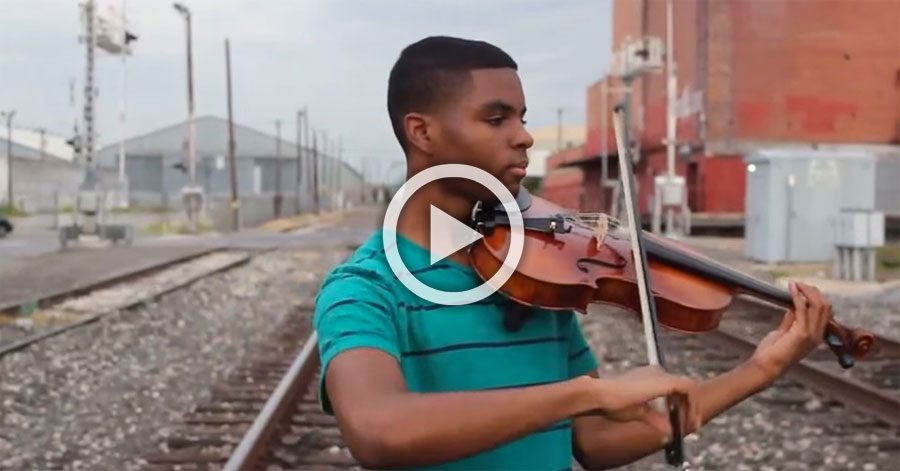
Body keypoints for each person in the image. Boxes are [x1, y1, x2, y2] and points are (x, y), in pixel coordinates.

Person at [312, 36, 833, 470]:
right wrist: (584, 394)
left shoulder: (530, 275)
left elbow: (595, 441)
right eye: (496, 119)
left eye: (522, 118)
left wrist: (759, 370)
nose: (524, 137)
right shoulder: (366, 289)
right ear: (422, 132)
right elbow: (378, 431)